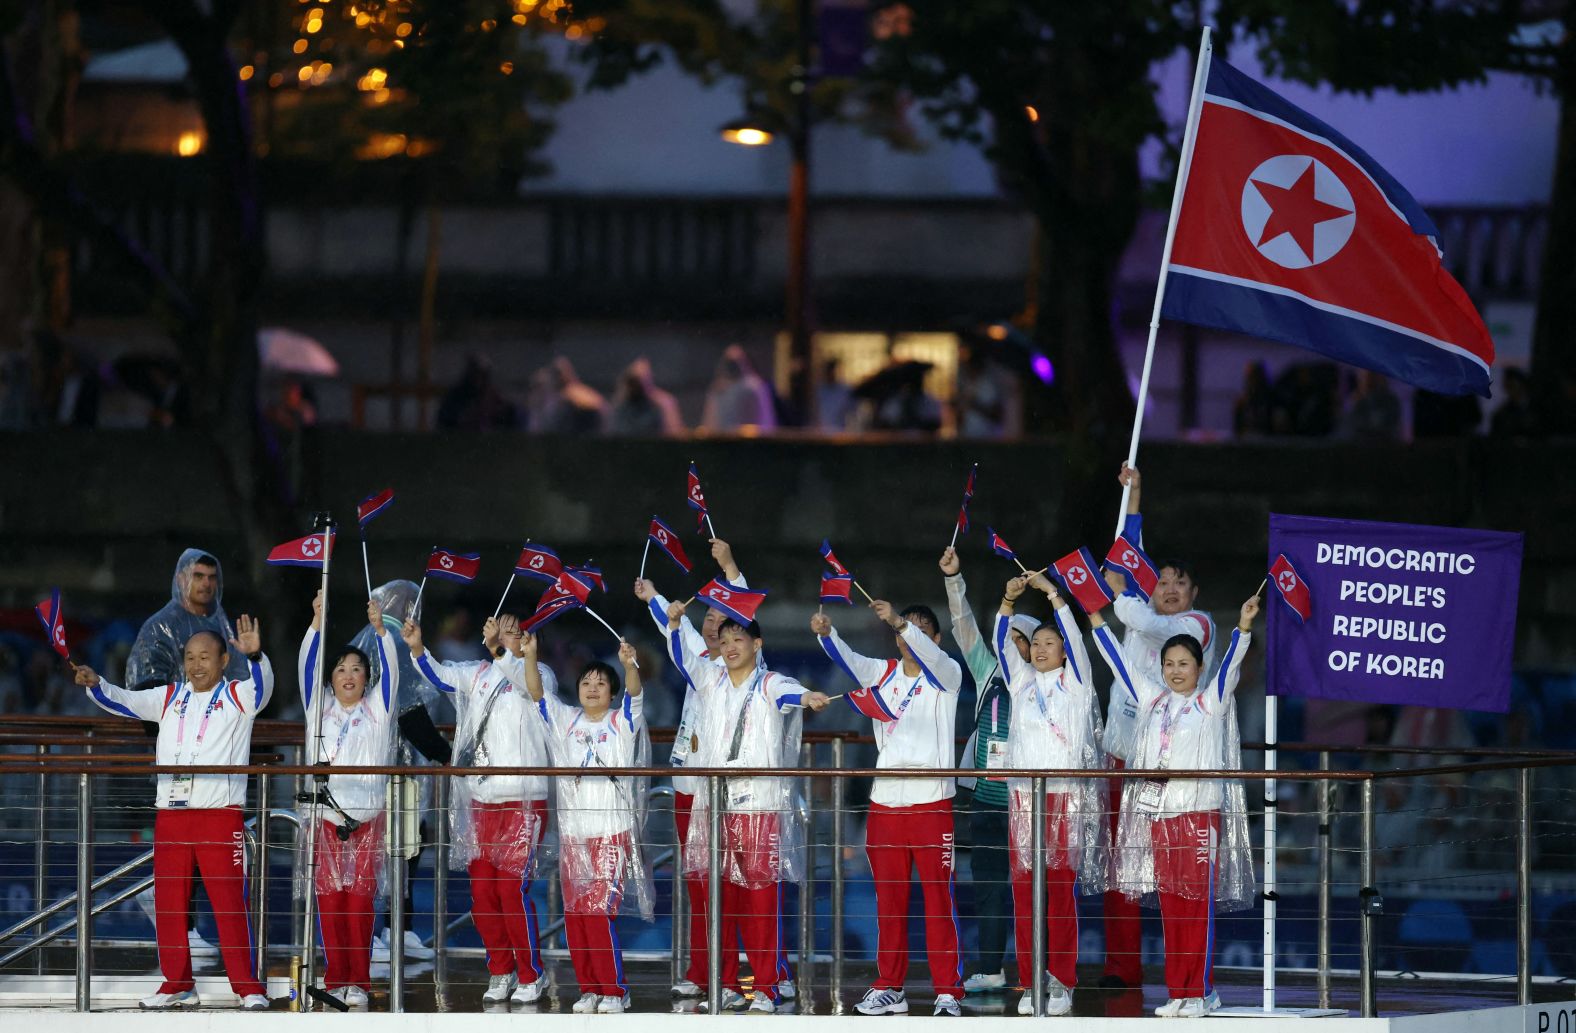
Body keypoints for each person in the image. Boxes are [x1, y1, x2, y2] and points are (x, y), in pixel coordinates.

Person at [73, 621, 273, 1010]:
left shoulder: (238, 696)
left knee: (228, 902)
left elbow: (263, 687)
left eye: (205, 657)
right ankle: (177, 982)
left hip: (219, 815)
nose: (196, 665)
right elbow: (124, 701)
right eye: (190, 658)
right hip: (172, 815)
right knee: (169, 902)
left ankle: (248, 987)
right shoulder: (169, 697)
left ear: (224, 660)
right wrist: (96, 683)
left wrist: (256, 656)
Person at [636, 537, 797, 1000]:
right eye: (708, 620)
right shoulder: (702, 669)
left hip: (748, 796)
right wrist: (655, 600)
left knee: (755, 891)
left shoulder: (753, 669)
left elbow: (742, 612)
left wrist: (728, 567)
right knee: (707, 891)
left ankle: (770, 976)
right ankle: (715, 974)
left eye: (726, 625)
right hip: (697, 789)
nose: (716, 628)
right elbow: (676, 631)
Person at [1091, 592, 1261, 1018]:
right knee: (1171, 905)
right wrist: (1095, 618)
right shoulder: (1153, 701)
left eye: (1184, 664)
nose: (1176, 671)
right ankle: (1178, 992)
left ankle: (1201, 991)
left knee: (1196, 906)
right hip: (1161, 816)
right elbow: (1119, 663)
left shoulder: (1210, 703)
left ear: (1199, 668)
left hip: (1200, 815)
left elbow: (1233, 666)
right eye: (1169, 664)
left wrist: (1242, 627)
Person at [665, 602, 830, 1012]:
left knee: (760, 899)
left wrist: (808, 696)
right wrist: (672, 623)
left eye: (739, 639)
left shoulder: (769, 683)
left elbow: (792, 692)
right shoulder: (711, 681)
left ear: (757, 643)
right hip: (714, 805)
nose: (731, 646)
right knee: (719, 898)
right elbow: (683, 655)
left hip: (757, 806)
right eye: (724, 641)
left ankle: (768, 987)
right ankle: (727, 985)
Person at [813, 597, 966, 1016]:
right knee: (889, 901)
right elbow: (850, 660)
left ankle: (948, 990)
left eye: (917, 629)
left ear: (934, 639)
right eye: (903, 630)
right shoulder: (884, 674)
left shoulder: (946, 675)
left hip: (932, 804)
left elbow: (929, 651)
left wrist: (899, 620)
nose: (907, 635)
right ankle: (890, 987)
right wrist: (829, 634)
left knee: (938, 899)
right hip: (885, 804)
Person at [1097, 464, 1217, 990]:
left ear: (1194, 592)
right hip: (1123, 756)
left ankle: (1188, 981)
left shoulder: (1197, 626)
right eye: (1162, 581)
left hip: (1174, 770)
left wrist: (1120, 593)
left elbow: (1149, 622)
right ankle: (1122, 969)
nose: (1168, 589)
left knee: (1177, 876)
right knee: (1121, 870)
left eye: (1179, 583)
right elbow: (1128, 544)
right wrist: (1135, 491)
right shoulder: (1139, 614)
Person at [497, 631, 654, 1014]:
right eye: (586, 682)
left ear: (612, 694)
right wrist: (530, 656)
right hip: (575, 837)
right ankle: (590, 989)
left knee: (599, 912)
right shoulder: (565, 721)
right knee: (576, 915)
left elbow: (635, 692)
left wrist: (629, 664)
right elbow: (537, 694)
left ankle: (615, 991)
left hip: (610, 833)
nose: (593, 688)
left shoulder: (622, 722)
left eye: (601, 683)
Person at [404, 612, 555, 1006]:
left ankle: (531, 974)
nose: (504, 636)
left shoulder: (541, 674)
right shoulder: (477, 674)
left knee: (511, 890)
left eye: (513, 632)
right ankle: (500, 970)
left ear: (527, 639)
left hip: (525, 798)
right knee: (483, 894)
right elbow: (438, 677)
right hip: (481, 799)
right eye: (499, 630)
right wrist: (418, 647)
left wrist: (503, 651)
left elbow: (531, 690)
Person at [994, 573, 1107, 1017]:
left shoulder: (1076, 684)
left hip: (1064, 797)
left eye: (1049, 642)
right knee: (1024, 893)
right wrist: (1008, 600)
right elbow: (1003, 643)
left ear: (1062, 650)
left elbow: (1079, 640)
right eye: (1035, 643)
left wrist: (1054, 596)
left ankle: (1062, 982)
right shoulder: (1019, 683)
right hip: (1024, 797)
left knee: (1059, 893)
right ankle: (1030, 981)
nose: (1040, 649)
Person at [939, 546, 1036, 994]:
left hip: (1031, 803)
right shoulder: (988, 670)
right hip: (987, 802)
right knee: (990, 888)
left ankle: (1042, 974)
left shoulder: (1047, 681)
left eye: (1024, 641)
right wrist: (954, 579)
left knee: (1034, 892)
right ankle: (992, 967)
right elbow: (962, 627)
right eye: (1010, 638)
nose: (1015, 646)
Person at [299, 591, 398, 1007]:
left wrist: (381, 633)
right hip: (324, 816)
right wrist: (317, 623)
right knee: (330, 900)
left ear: (366, 678)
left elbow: (392, 673)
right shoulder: (317, 709)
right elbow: (306, 666)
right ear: (332, 677)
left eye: (357, 669)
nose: (348, 675)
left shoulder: (378, 710)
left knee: (359, 901)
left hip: (366, 817)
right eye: (341, 668)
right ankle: (335, 975)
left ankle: (358, 980)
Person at [128, 550, 249, 692]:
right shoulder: (160, 626)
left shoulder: (220, 623)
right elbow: (148, 685)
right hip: (177, 711)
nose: (206, 583)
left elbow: (239, 675)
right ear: (181, 579)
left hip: (220, 711)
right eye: (198, 576)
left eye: (212, 577)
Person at [701, 345, 778, 433]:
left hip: (750, 441)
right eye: (730, 363)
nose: (733, 367)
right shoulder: (718, 389)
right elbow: (709, 423)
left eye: (737, 362)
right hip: (723, 440)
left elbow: (767, 420)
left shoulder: (755, 387)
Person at [607, 357, 686, 436]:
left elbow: (676, 435)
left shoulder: (662, 403)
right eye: (635, 381)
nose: (637, 386)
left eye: (644, 380)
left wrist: (666, 406)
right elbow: (613, 433)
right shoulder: (621, 406)